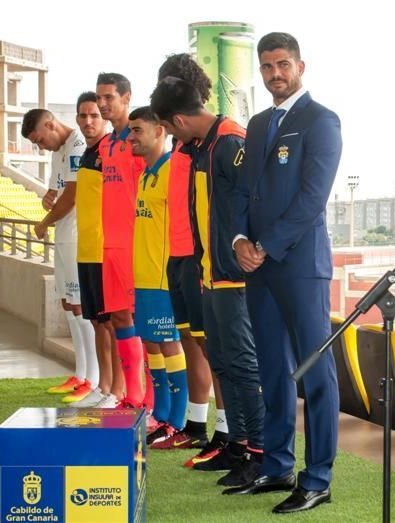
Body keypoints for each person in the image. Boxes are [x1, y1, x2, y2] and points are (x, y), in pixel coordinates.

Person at [226, 32, 343, 515]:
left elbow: (312, 200)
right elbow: (241, 194)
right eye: (268, 66)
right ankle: (277, 467)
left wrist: (266, 246)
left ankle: (317, 479)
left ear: (300, 66)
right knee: (272, 369)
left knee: (314, 373)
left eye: (283, 64)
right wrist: (238, 242)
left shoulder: (321, 120)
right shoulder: (256, 125)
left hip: (300, 267)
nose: (276, 73)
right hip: (257, 267)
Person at [150, 77, 264, 488]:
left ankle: (260, 451)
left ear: (178, 120)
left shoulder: (231, 141)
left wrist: (244, 253)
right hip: (209, 273)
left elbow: (256, 203)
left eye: (171, 128)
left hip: (233, 277)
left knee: (241, 364)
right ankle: (237, 444)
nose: (173, 137)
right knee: (222, 362)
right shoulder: (202, 146)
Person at [152, 54, 230, 462]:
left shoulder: (210, 140)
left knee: (214, 347)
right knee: (191, 340)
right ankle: (197, 425)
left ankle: (226, 432)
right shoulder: (183, 144)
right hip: (177, 254)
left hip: (203, 259)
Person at [21, 108, 97, 403]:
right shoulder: (58, 151)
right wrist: (46, 199)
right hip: (63, 238)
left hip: (78, 237)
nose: (41, 147)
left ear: (50, 124)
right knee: (68, 305)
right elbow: (56, 191)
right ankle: (80, 374)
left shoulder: (78, 143)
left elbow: (73, 195)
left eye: (40, 140)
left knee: (82, 308)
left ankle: (94, 378)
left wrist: (44, 222)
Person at [127, 107, 188, 445]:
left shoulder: (171, 171)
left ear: (160, 131)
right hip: (143, 276)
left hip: (164, 278)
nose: (132, 137)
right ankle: (160, 413)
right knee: (151, 343)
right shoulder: (144, 174)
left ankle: (177, 421)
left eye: (138, 130)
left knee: (169, 343)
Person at [95, 72, 150, 410]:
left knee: (140, 321)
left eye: (109, 98)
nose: (102, 104)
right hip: (109, 245)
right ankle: (131, 394)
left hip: (134, 245)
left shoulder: (138, 140)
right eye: (99, 98)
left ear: (126, 98)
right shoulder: (105, 144)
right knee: (117, 319)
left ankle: (149, 399)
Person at [68, 92, 122, 409]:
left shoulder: (110, 152)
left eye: (94, 116)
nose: (88, 122)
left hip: (106, 251)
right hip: (85, 250)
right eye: (83, 115)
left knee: (111, 323)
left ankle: (116, 390)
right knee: (96, 322)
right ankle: (102, 386)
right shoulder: (87, 154)